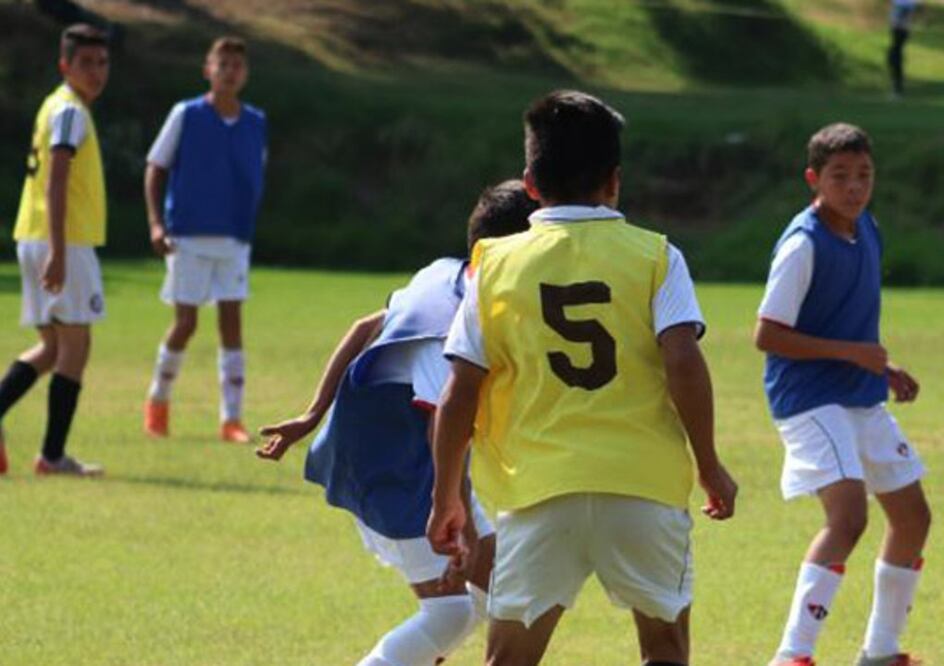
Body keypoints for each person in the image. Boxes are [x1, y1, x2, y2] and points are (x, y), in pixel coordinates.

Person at [427, 90, 738, 666]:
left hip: (538, 490)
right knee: (665, 650)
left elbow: (460, 391)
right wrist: (709, 464)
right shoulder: (657, 257)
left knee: (508, 660)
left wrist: (446, 495)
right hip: (642, 483)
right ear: (615, 181)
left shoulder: (493, 265)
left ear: (531, 184)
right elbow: (683, 361)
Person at [256, 180, 536, 666]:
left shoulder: (443, 273)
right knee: (450, 613)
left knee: (501, 590)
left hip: (417, 467)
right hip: (392, 475)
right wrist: (460, 520)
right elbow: (442, 422)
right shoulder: (450, 325)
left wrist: (312, 414)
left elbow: (365, 327)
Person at [755, 123, 931, 666]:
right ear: (814, 179)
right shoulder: (803, 244)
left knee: (913, 517)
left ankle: (879, 651)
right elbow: (768, 334)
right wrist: (853, 354)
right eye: (840, 176)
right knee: (849, 518)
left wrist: (883, 367)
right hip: (809, 399)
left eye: (864, 175)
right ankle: (792, 655)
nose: (854, 187)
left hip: (858, 394)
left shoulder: (866, 228)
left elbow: (844, 321)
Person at [142, 36, 267, 443]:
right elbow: (156, 166)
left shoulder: (255, 122)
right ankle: (158, 401)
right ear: (207, 70)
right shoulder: (187, 114)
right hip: (188, 235)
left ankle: (232, 419)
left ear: (245, 74)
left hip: (235, 237)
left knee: (232, 323)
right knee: (186, 323)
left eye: (237, 65)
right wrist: (156, 224)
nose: (230, 72)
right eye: (222, 64)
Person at [0, 24, 110, 477]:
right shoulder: (70, 111)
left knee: (50, 348)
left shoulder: (55, 104)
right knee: (75, 347)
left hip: (35, 235)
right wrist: (60, 252)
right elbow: (57, 179)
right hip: (62, 240)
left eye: (102, 62)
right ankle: (52, 456)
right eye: (86, 63)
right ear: (65, 65)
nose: (96, 72)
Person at [888, 0, 920, 98]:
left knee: (894, 57)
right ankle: (896, 87)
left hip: (900, 30)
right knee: (893, 56)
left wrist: (899, 24)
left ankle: (897, 89)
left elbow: (907, 16)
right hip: (898, 30)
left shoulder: (906, 3)